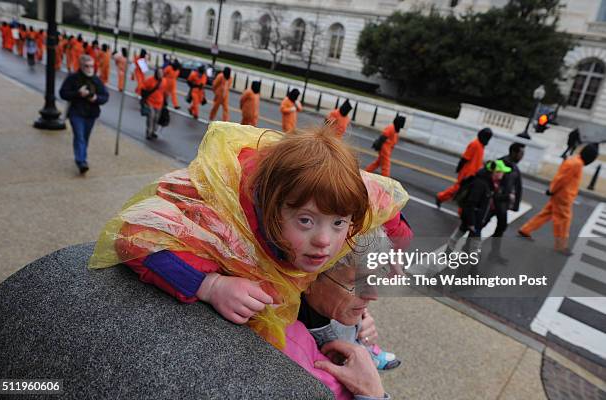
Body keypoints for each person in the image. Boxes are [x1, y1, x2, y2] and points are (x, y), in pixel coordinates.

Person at [89, 124, 409, 350]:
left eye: (339, 224)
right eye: (306, 221)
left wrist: (395, 248)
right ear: (271, 208)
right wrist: (210, 285)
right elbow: (134, 233)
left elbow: (383, 204)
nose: (324, 240)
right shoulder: (222, 223)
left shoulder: (343, 196)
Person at [284, 228, 404, 399]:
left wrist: (360, 326)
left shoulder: (330, 307)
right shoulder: (287, 348)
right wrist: (372, 392)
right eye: (357, 282)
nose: (373, 295)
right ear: (308, 278)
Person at [518, 143, 599, 256]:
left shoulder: (574, 160)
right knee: (564, 220)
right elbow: (562, 179)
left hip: (560, 194)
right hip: (563, 197)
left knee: (546, 214)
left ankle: (525, 229)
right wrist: (552, 190)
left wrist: (552, 190)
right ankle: (561, 246)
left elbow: (560, 177)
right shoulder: (576, 164)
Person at [445, 160, 511, 257]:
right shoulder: (480, 184)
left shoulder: (490, 183)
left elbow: (489, 199)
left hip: (476, 218)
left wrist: (506, 197)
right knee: (474, 243)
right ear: (495, 172)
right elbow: (470, 204)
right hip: (473, 218)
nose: (503, 174)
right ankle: (473, 266)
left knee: (459, 235)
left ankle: (448, 253)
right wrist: (472, 223)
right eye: (501, 171)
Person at [59, 55, 109, 174]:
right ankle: (81, 161)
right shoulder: (73, 78)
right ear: (81, 66)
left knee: (85, 137)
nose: (89, 68)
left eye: (91, 66)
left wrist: (96, 98)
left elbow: (105, 96)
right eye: (86, 66)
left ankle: (81, 156)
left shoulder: (96, 80)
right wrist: (78, 93)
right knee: (79, 136)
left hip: (91, 114)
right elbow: (63, 93)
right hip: (76, 112)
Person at [480, 143, 525, 265]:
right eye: (521, 154)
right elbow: (490, 180)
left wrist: (514, 205)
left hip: (503, 204)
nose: (522, 156)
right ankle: (468, 247)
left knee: (501, 227)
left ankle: (494, 254)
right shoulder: (501, 163)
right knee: (481, 224)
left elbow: (518, 186)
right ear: (514, 152)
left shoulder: (514, 167)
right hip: (494, 202)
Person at [436, 128, 493, 207]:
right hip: (466, 173)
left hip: (474, 174)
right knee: (458, 189)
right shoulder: (475, 144)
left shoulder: (481, 146)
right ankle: (440, 197)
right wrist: (459, 168)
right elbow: (465, 158)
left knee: (466, 193)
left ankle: (461, 211)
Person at [141, 67, 167, 140]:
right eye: (159, 73)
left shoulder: (164, 81)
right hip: (150, 102)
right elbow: (143, 87)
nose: (160, 75)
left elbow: (164, 92)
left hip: (159, 103)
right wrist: (144, 98)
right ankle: (148, 133)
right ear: (156, 73)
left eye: (162, 73)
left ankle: (153, 132)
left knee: (156, 118)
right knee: (151, 117)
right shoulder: (150, 80)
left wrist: (165, 102)